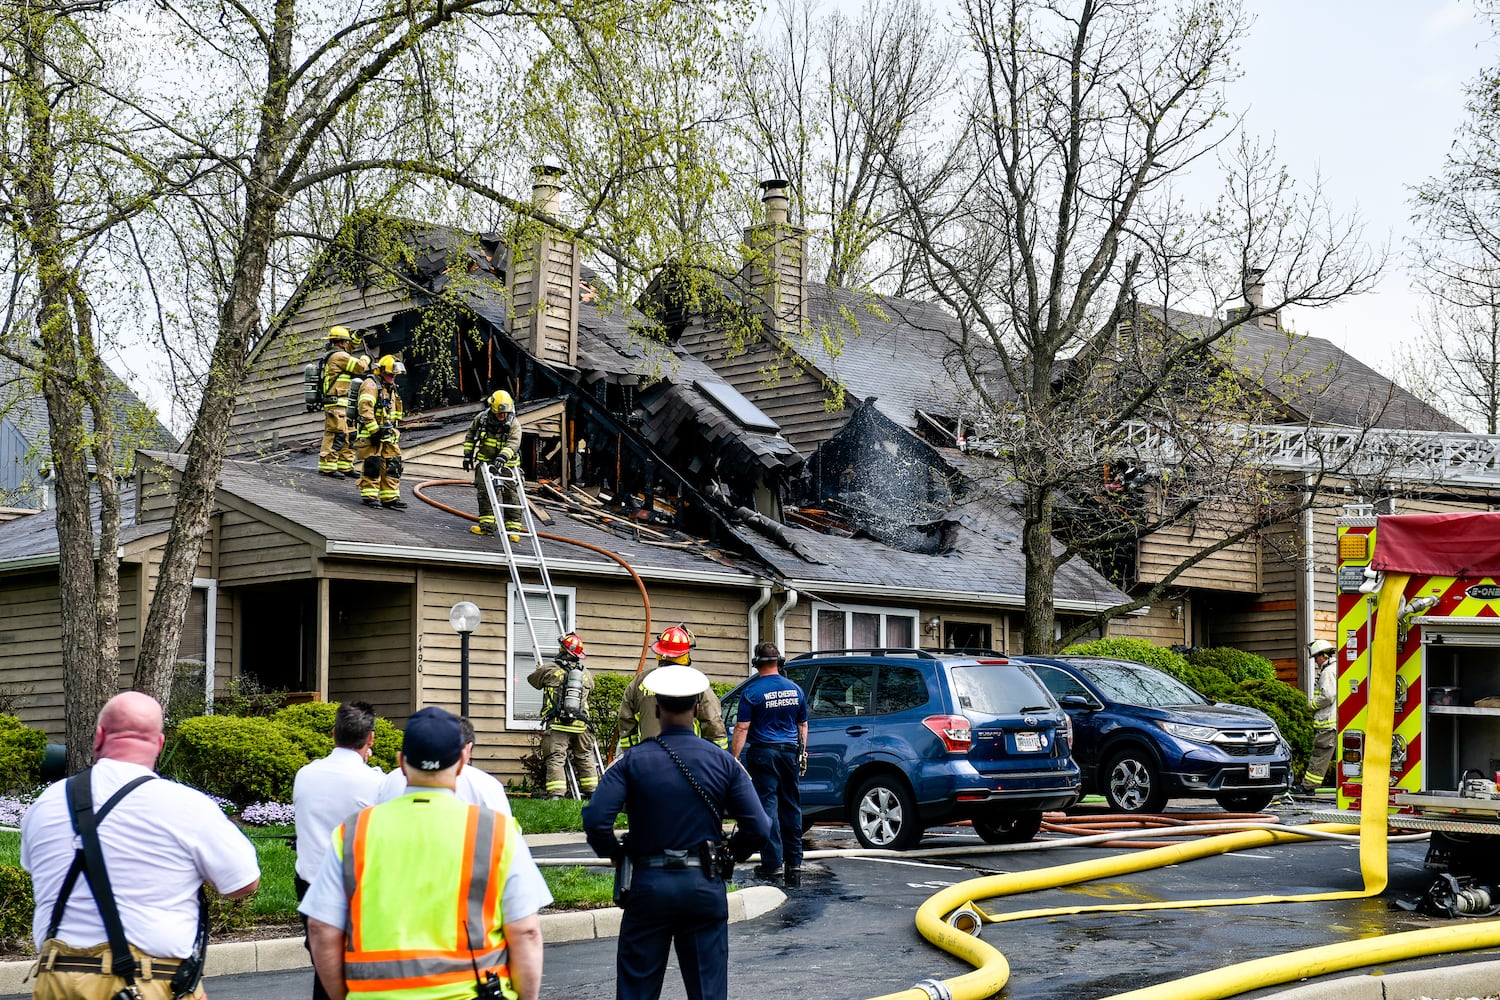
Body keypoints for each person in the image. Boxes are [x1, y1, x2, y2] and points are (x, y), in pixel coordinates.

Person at [22, 692, 260, 1000]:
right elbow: (243, 883)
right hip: (146, 982)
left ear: (99, 736)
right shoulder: (187, 805)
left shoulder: (45, 804)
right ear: (159, 744)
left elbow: (39, 872)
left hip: (56, 980)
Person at [302, 706, 548, 1000]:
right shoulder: (496, 831)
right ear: (463, 760)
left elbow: (321, 928)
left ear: (401, 763)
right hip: (473, 992)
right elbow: (526, 931)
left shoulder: (354, 832)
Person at [582, 665, 770, 1000]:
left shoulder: (633, 761)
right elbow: (759, 825)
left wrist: (618, 855)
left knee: (637, 989)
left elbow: (597, 819)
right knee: (707, 989)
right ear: (697, 707)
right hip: (703, 885)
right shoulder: (724, 762)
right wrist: (731, 855)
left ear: (656, 708)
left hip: (648, 887)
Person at [292, 700, 384, 1000]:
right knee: (358, 971)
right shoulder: (376, 782)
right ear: (370, 738)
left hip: (310, 884)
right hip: (354, 887)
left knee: (324, 967)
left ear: (334, 733)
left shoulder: (305, 774)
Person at [729, 642, 808, 886]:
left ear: (757, 664)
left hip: (763, 754)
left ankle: (772, 864)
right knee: (792, 805)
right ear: (778, 663)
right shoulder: (795, 690)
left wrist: (733, 758)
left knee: (769, 807)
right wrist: (802, 752)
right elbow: (802, 725)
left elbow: (742, 727)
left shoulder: (752, 692)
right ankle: (794, 862)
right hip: (789, 753)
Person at [373, 716, 513, 816]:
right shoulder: (486, 785)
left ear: (401, 761)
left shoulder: (389, 780)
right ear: (464, 755)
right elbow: (508, 839)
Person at [618, 624, 728, 751]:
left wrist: (632, 756)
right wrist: (718, 758)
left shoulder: (639, 682)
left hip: (647, 758)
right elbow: (713, 723)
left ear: (659, 652)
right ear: (685, 654)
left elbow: (626, 723)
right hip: (688, 758)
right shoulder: (696, 683)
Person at [528, 632, 599, 799]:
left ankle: (556, 795)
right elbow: (592, 689)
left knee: (556, 758)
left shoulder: (550, 669)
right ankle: (593, 793)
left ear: (562, 649)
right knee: (584, 756)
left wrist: (539, 670)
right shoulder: (586, 674)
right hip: (582, 724)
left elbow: (533, 681)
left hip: (558, 723)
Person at [462, 389, 524, 540]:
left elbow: (514, 442)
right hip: (485, 463)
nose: (502, 416)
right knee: (485, 493)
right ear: (492, 409)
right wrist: (467, 455)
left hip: (508, 465)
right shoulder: (482, 419)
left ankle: (513, 529)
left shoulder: (514, 424)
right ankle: (487, 526)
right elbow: (470, 435)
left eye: (505, 413)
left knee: (512, 495)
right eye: (499, 413)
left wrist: (503, 457)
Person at [354, 354, 406, 509]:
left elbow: (393, 413)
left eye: (395, 375)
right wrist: (374, 431)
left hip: (388, 434)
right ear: (381, 372)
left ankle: (389, 497)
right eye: (391, 374)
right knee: (373, 464)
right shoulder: (370, 385)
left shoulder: (390, 388)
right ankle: (369, 496)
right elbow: (365, 409)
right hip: (371, 434)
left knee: (393, 463)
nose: (393, 377)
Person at [317, 327, 370, 478]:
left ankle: (345, 465)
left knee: (349, 434)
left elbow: (350, 350)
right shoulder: (339, 356)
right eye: (347, 341)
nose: (348, 344)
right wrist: (366, 359)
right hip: (336, 403)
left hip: (344, 403)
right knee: (336, 434)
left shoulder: (339, 353)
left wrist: (357, 337)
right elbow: (359, 367)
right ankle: (327, 465)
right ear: (342, 342)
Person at [1299, 638, 1339, 795]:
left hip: (1327, 723)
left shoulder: (1328, 672)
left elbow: (1328, 696)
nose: (1315, 661)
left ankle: (1308, 787)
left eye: (1316, 657)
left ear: (1324, 655)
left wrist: (1311, 705)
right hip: (1334, 723)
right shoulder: (1336, 668)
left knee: (1319, 755)